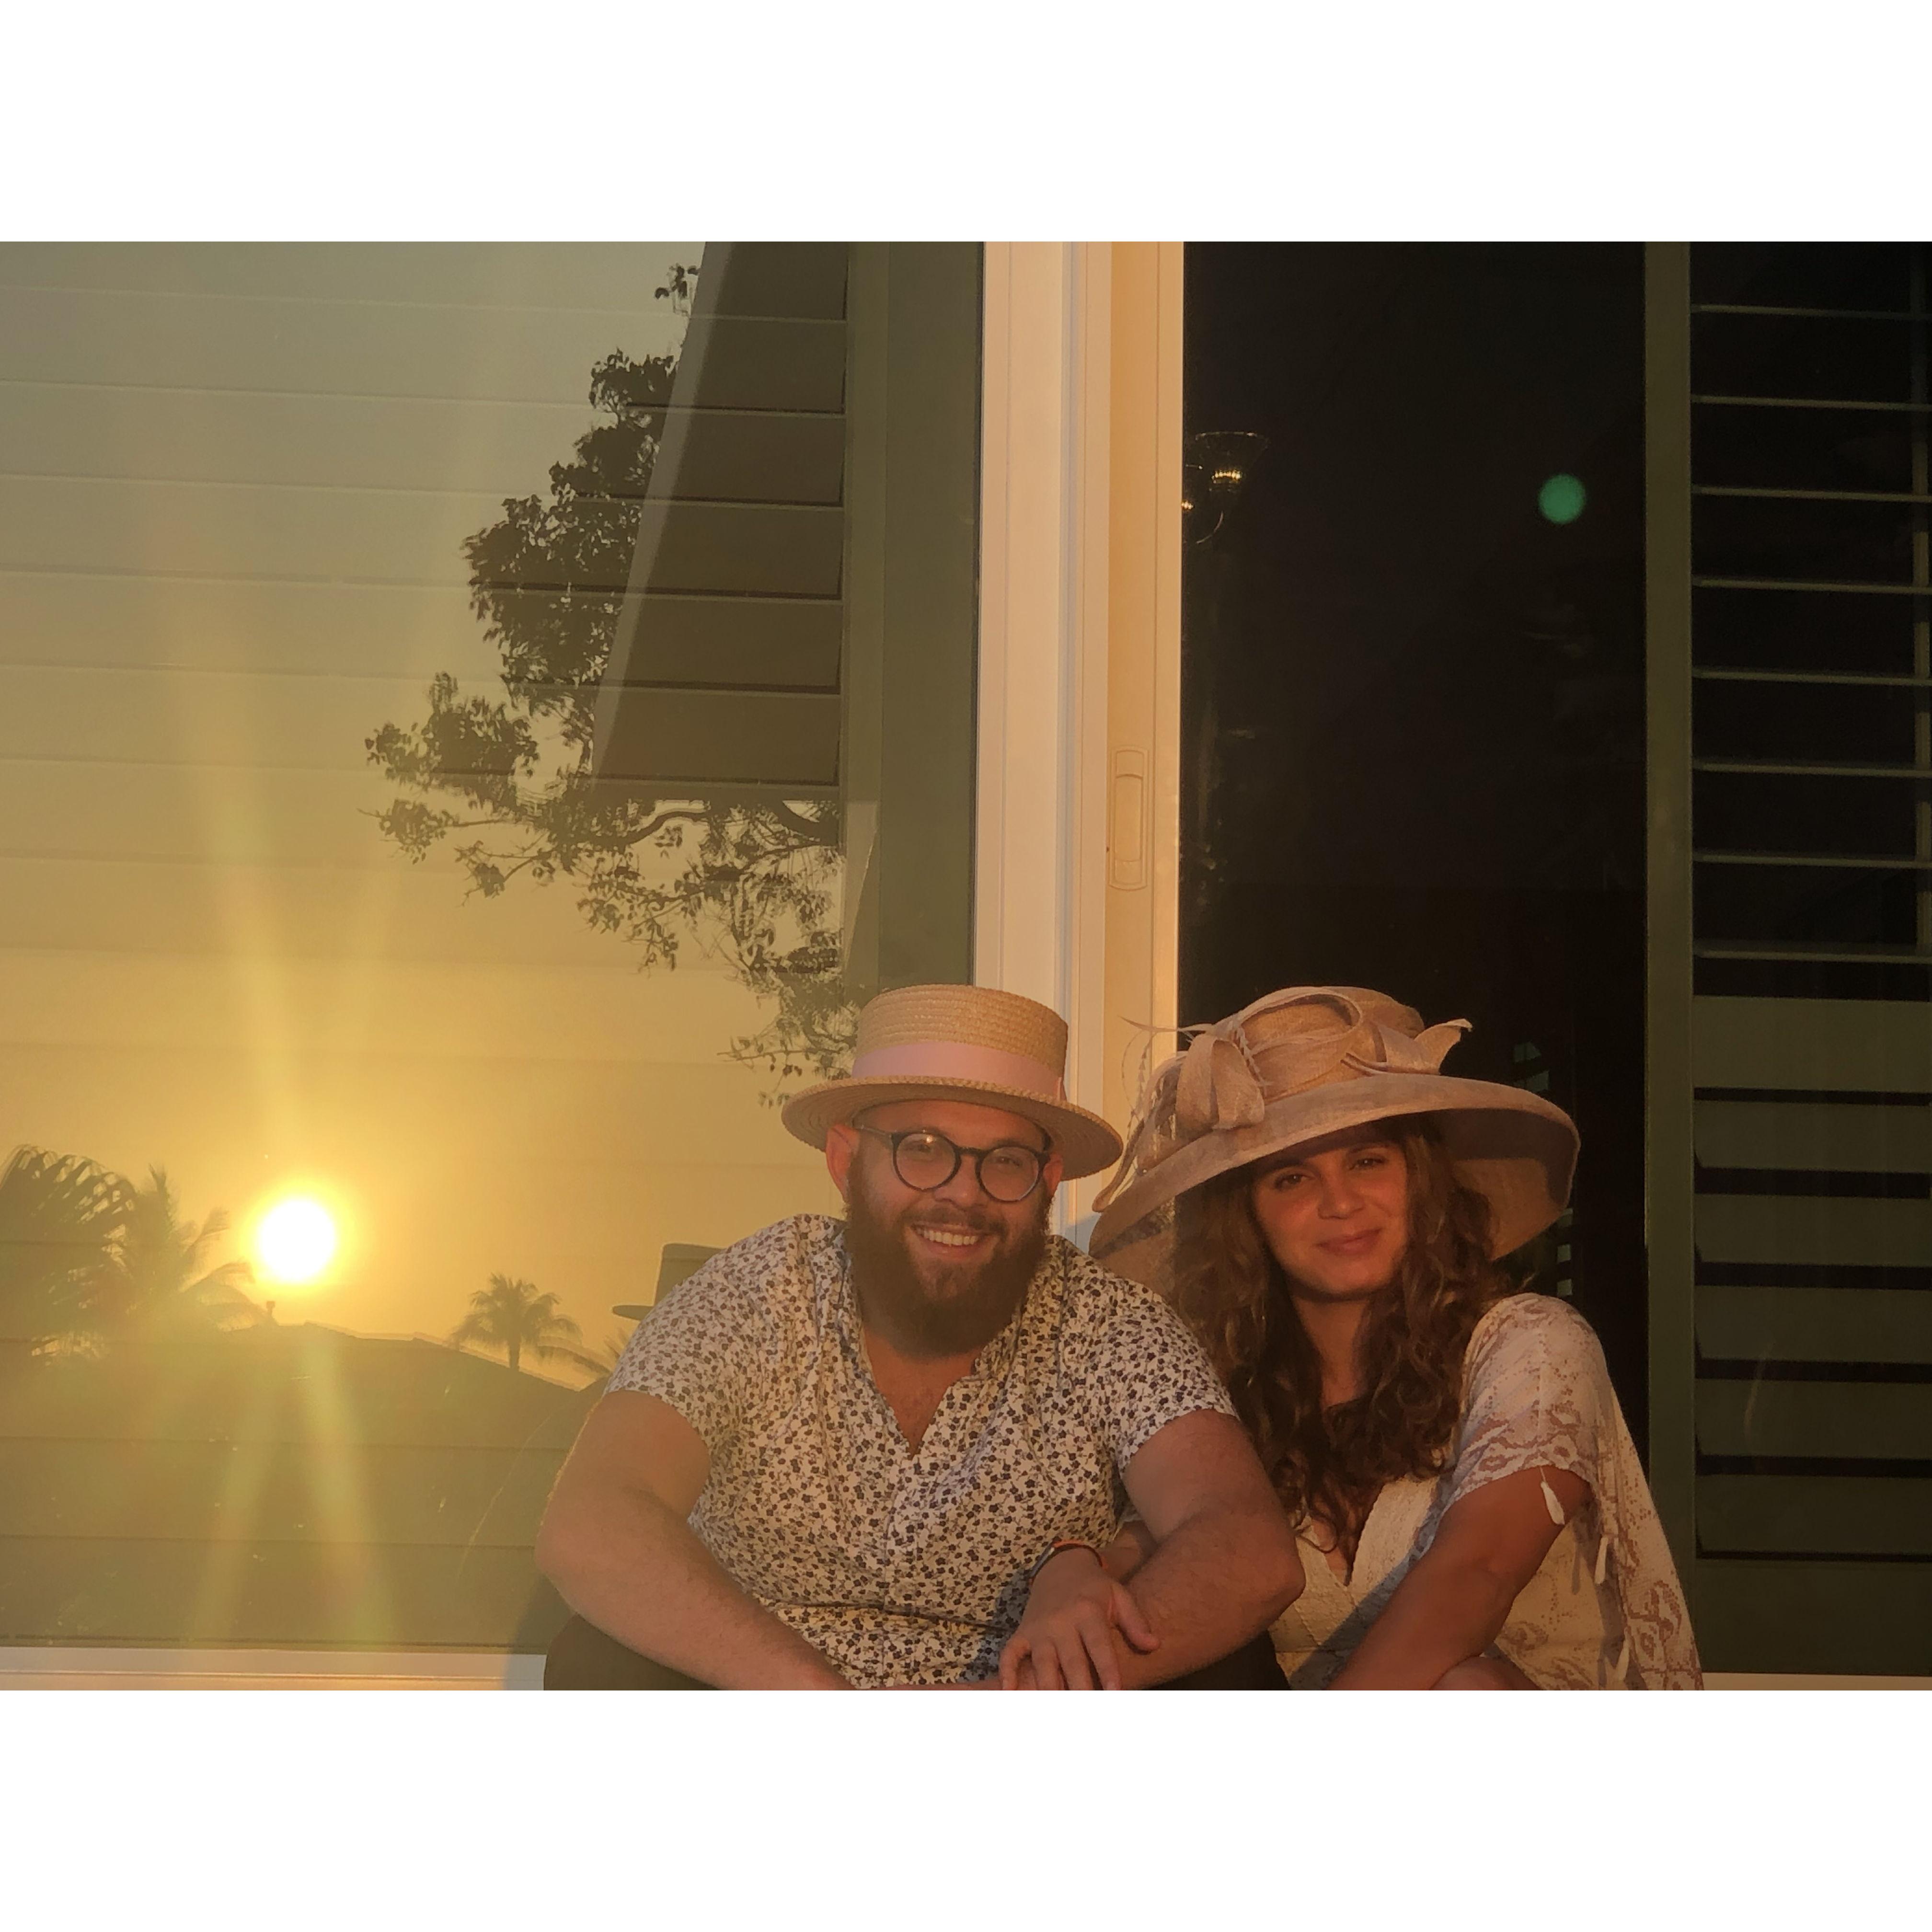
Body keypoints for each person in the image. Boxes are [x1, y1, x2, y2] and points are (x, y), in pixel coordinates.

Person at [536, 982, 1303, 1689]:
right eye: (923, 1150)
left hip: (1015, 1723)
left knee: (1231, 1667)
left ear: (1046, 1177)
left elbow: (1247, 1544)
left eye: (1004, 1161)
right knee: (595, 1658)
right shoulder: (764, 1289)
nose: (961, 1196)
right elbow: (594, 1519)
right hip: (766, 1704)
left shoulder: (1104, 1321)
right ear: (847, 1160)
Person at [1011, 985, 1700, 1690]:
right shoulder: (1225, 1389)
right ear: (1247, 1220)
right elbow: (1154, 1548)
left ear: (1420, 1180)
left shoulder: (1531, 1345)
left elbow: (1480, 1569)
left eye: (1368, 1161)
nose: (1339, 1203)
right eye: (1291, 1177)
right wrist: (1069, 1567)